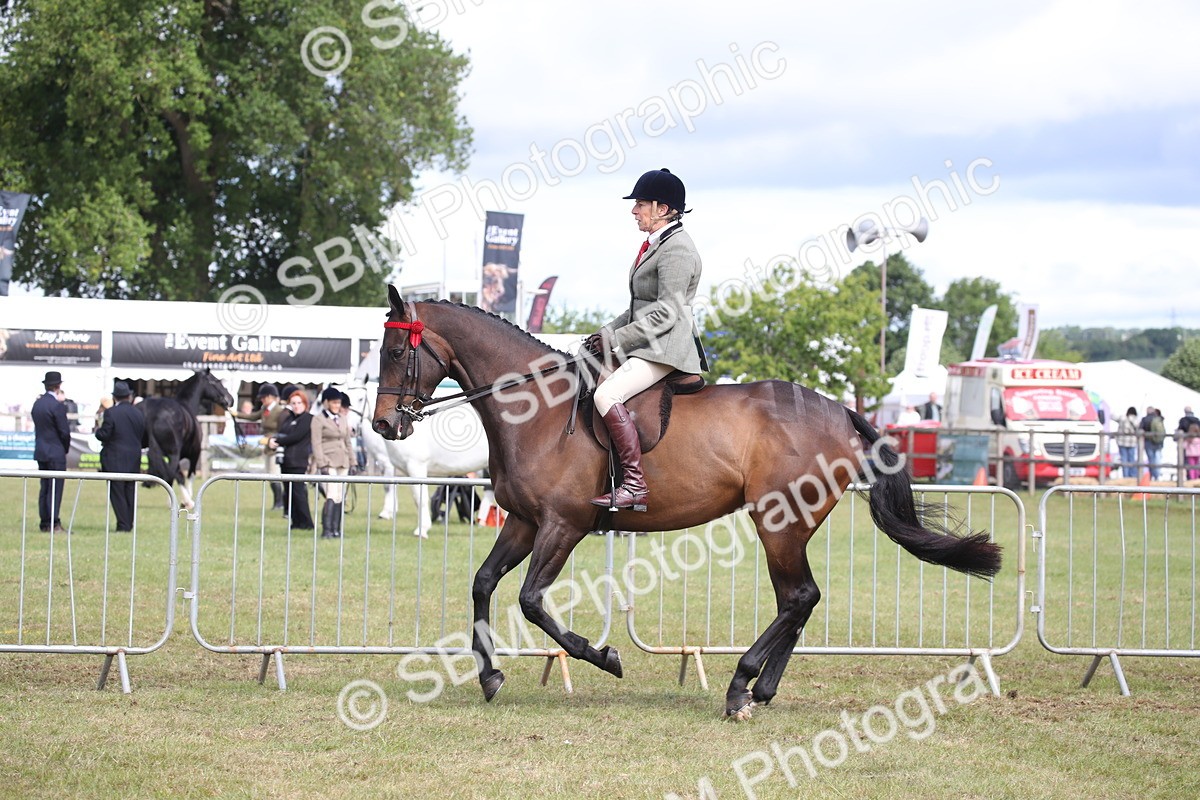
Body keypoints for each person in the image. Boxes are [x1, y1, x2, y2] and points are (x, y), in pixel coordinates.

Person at [584, 168, 706, 512]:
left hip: (665, 349)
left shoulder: (677, 250)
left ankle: (635, 485)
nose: (634, 210)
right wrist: (604, 334)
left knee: (606, 394)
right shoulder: (658, 245)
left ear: (663, 208)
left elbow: (667, 312)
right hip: (648, 343)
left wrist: (618, 339)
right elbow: (638, 306)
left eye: (641, 204)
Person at [94, 381, 145, 532]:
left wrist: (97, 430)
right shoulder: (138, 413)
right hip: (134, 456)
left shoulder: (111, 413)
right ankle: (129, 523)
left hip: (115, 456)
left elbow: (104, 434)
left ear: (115, 397)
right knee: (130, 490)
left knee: (117, 491)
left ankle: (122, 524)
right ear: (129, 396)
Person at [235, 384, 286, 509]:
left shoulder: (279, 411)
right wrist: (237, 414)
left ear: (270, 397)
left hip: (276, 445)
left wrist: (270, 439)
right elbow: (253, 416)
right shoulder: (265, 409)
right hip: (267, 445)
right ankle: (277, 501)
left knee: (274, 474)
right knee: (269, 474)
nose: (262, 400)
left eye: (263, 398)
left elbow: (282, 428)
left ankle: (279, 502)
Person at [31, 371, 71, 532]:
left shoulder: (38, 404)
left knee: (45, 487)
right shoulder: (57, 406)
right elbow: (64, 432)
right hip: (55, 451)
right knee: (55, 488)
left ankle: (44, 520)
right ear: (58, 386)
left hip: (41, 450)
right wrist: (64, 448)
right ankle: (53, 521)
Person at [270, 390, 315, 531]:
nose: (296, 406)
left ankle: (307, 523)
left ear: (305, 404)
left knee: (299, 492)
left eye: (299, 403)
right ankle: (295, 522)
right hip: (286, 460)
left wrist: (276, 440)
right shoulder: (288, 419)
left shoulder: (308, 419)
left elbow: (295, 436)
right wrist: (274, 440)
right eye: (293, 403)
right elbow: (282, 432)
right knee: (289, 493)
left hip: (298, 461)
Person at [311, 387, 352, 538]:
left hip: (343, 461)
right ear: (326, 403)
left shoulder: (342, 418)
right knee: (331, 494)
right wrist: (321, 464)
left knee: (340, 496)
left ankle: (336, 529)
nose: (336, 405)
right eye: (334, 403)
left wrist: (353, 462)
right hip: (328, 461)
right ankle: (326, 529)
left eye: (338, 403)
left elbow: (348, 441)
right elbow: (316, 444)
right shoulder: (318, 419)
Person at [1140, 406, 1166, 480]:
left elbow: (1140, 429)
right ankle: (1157, 475)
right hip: (1159, 442)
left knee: (1151, 459)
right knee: (1157, 459)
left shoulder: (1145, 419)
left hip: (1148, 442)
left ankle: (1153, 475)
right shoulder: (1159, 419)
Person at [1115, 406, 1140, 479]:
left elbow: (1114, 417)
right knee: (1131, 459)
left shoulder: (1122, 418)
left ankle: (1125, 476)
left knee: (1124, 459)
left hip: (1122, 442)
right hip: (1132, 443)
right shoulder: (1136, 420)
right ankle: (1132, 476)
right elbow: (1139, 427)